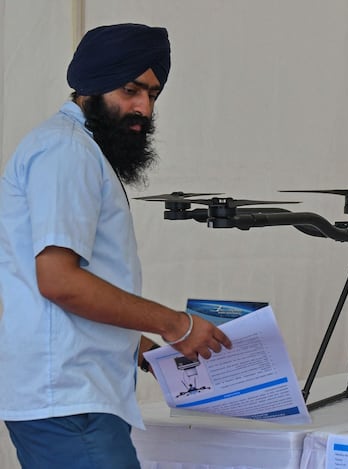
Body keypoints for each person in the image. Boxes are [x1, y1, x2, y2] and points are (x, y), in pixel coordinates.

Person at [0, 23, 232, 468]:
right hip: (69, 402)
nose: (143, 107)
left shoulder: (78, 148)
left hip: (75, 398)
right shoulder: (66, 152)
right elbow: (58, 281)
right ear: (91, 85)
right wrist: (176, 325)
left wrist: (137, 345)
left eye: (153, 94)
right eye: (130, 90)